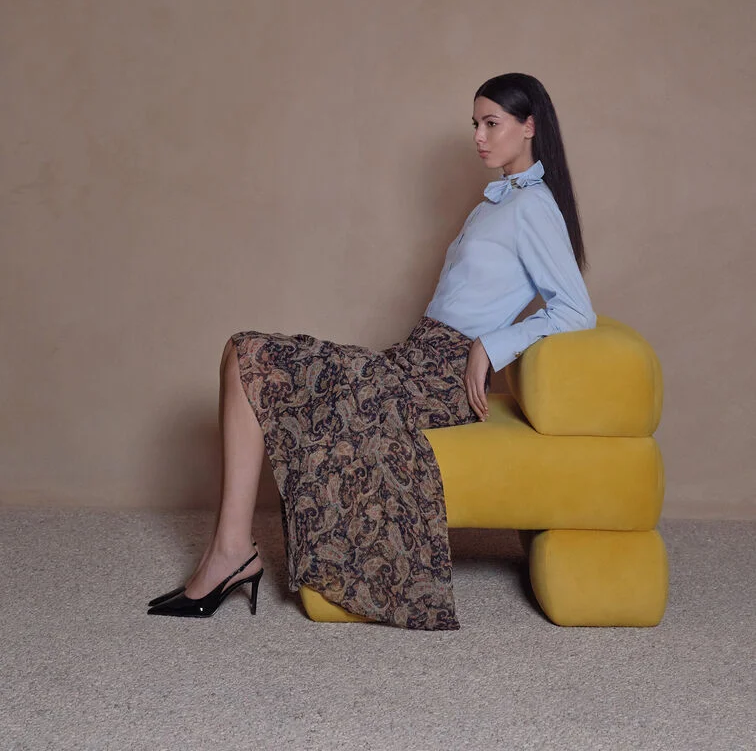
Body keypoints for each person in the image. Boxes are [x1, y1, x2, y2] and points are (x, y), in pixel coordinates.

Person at [147, 72, 596, 629]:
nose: (478, 137)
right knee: (244, 356)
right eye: (474, 124)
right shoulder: (496, 203)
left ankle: (230, 554)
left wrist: (492, 344)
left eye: (491, 123)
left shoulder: (533, 207)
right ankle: (232, 548)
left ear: (528, 127)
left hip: (442, 375)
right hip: (414, 358)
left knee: (249, 354)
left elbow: (576, 311)